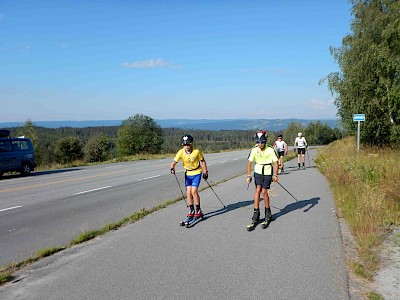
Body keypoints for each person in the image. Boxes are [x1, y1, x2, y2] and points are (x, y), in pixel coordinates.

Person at [170, 134, 208, 221]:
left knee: (194, 191)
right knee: (188, 193)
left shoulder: (196, 152)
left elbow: (202, 162)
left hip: (197, 172)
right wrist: (172, 168)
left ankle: (198, 210)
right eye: (184, 144)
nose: (186, 146)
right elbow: (173, 162)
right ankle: (191, 210)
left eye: (188, 144)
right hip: (188, 174)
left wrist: (205, 172)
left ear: (191, 144)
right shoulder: (181, 152)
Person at [246, 130, 279, 224]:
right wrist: (248, 175)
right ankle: (256, 212)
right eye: (259, 142)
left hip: (268, 172)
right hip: (258, 171)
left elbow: (276, 163)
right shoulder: (254, 149)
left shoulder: (270, 149)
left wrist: (276, 174)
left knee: (264, 191)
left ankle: (268, 212)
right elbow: (249, 163)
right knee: (257, 190)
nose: (261, 144)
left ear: (265, 141)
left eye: (263, 142)